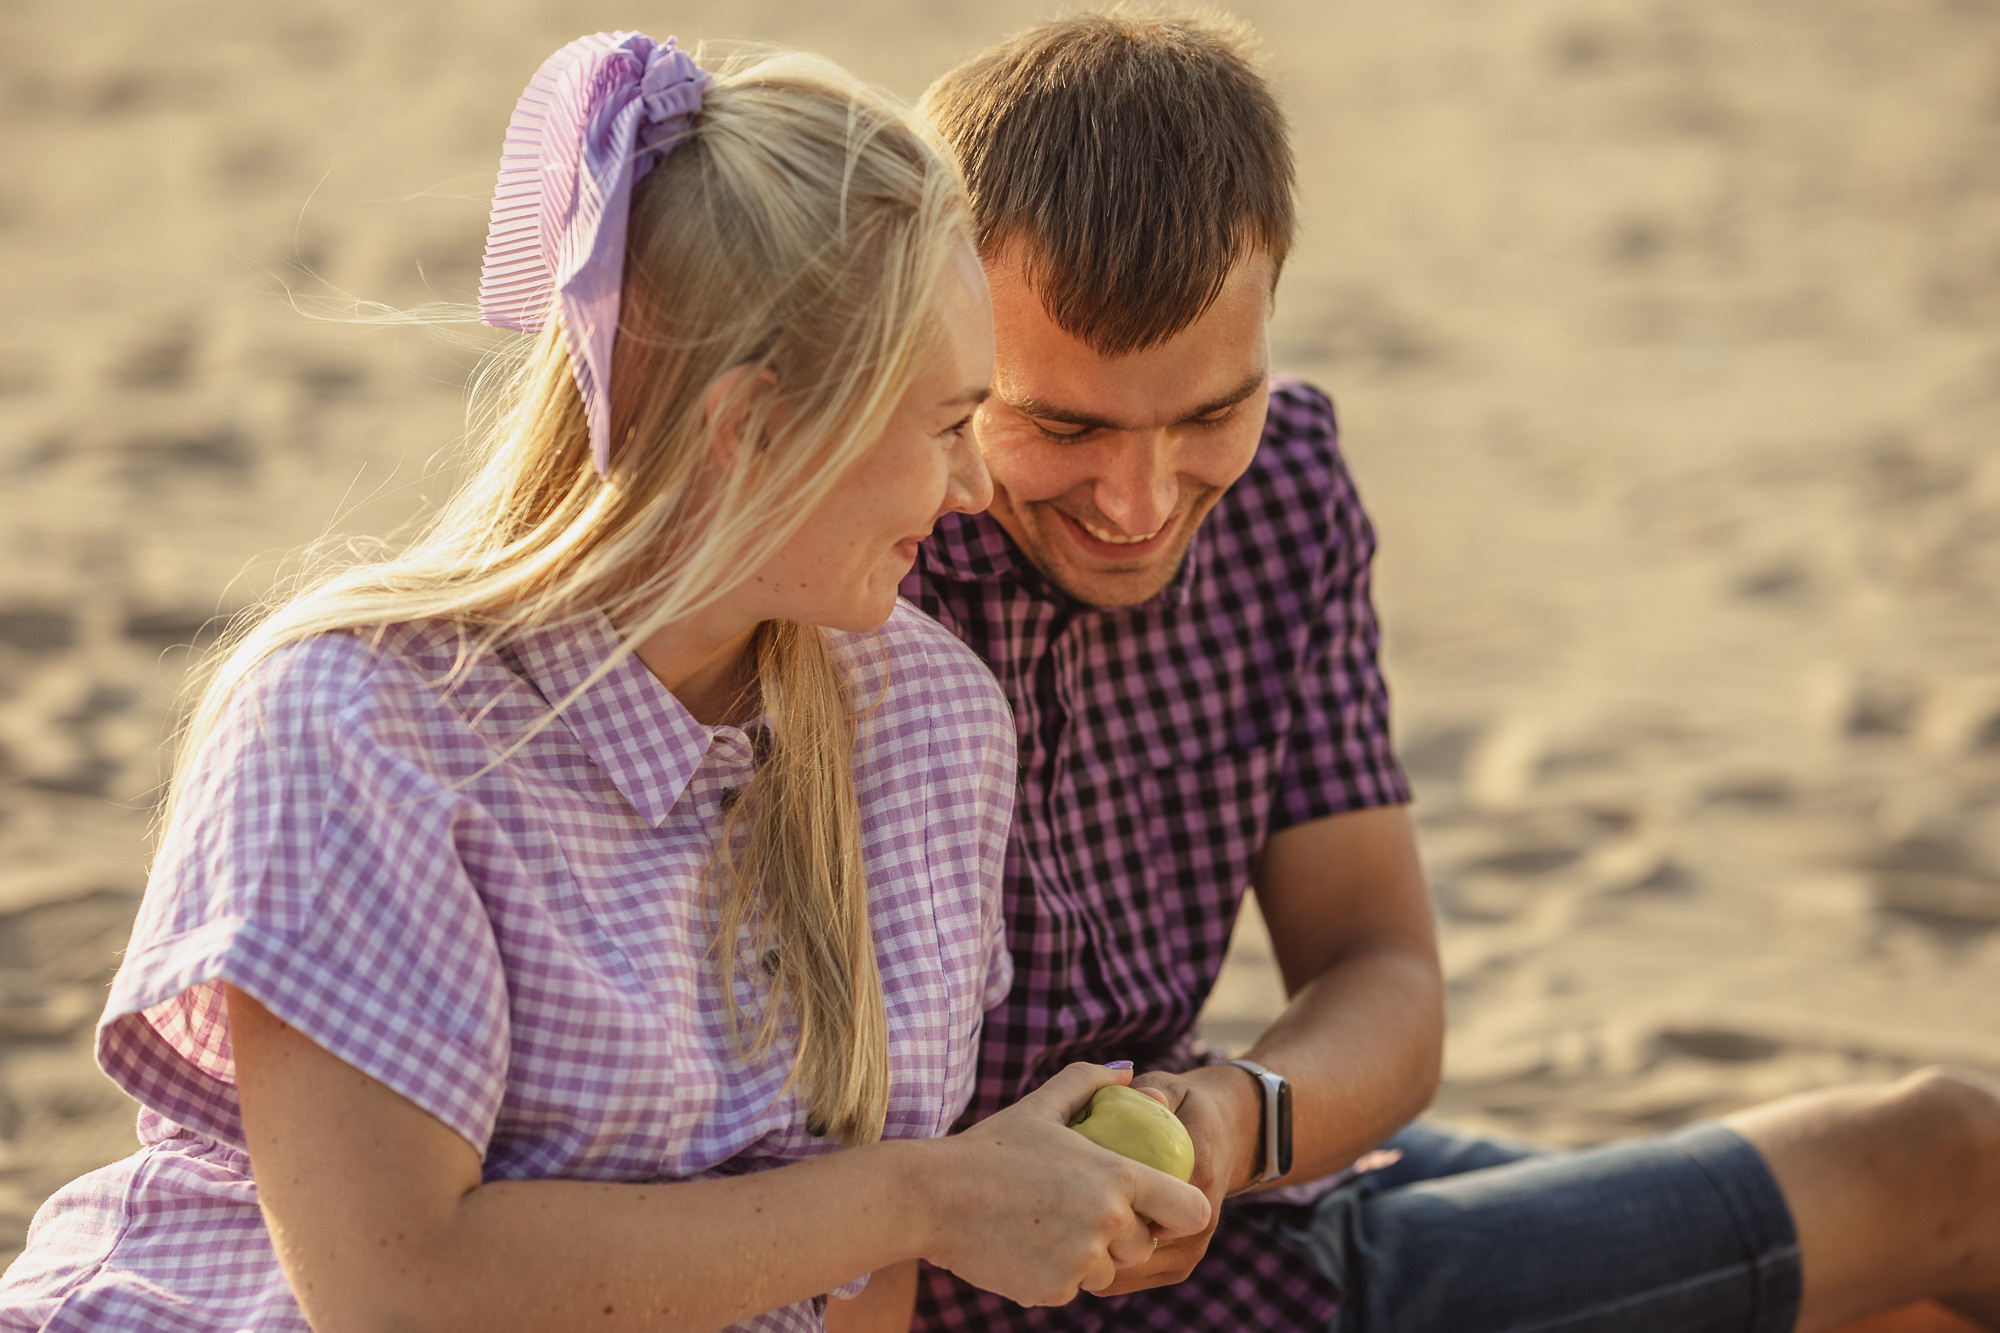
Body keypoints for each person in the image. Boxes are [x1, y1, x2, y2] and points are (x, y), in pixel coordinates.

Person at [0, 31, 1210, 1333]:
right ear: (750, 432)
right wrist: (928, 1194)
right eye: (940, 427)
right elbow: (398, 1285)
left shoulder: (931, 724)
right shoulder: (353, 725)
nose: (974, 486)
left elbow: (855, 1297)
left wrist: (926, 1203)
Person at [901, 12, 2000, 1333]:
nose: (1138, 502)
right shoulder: (871, 555)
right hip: (1057, 1289)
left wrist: (1243, 1115)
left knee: (1899, 1288)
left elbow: (1384, 972)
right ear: (951, 342)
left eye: (1209, 413)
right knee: (1946, 1164)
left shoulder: (1286, 485)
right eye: (1064, 423)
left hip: (1238, 1194)